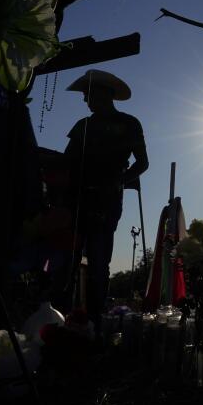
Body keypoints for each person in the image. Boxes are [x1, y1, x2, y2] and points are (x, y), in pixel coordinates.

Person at [62, 69, 148, 329]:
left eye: (88, 94)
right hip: (76, 200)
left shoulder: (129, 123)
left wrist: (116, 181)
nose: (85, 101)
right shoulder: (83, 126)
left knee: (99, 261)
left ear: (104, 94)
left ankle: (96, 321)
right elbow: (67, 162)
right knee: (69, 260)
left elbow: (142, 163)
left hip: (107, 201)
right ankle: (65, 319)